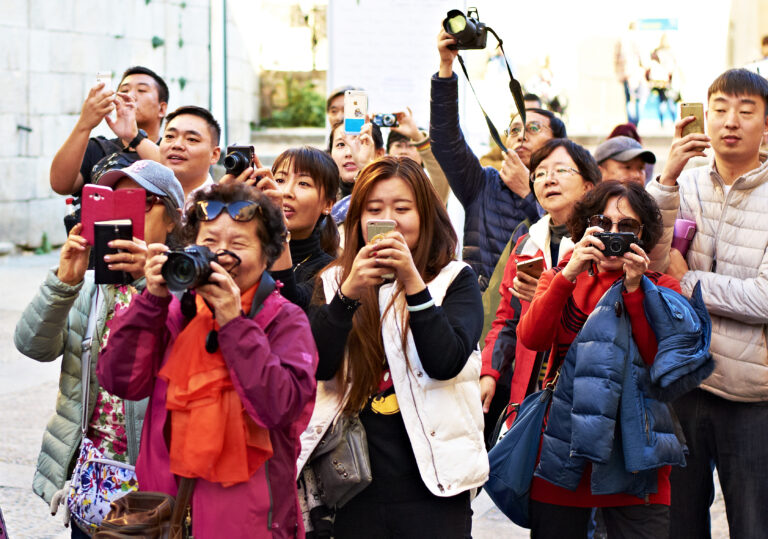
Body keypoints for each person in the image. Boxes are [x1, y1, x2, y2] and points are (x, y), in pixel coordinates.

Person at [95, 182, 318, 538]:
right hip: (163, 519)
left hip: (249, 525)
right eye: (209, 243)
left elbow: (280, 408)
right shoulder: (171, 311)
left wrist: (234, 323)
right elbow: (119, 381)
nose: (220, 256)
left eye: (239, 245)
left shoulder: (285, 320)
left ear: (267, 256)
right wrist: (151, 299)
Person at [300, 156, 488, 537]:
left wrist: (413, 282)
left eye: (402, 208)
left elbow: (444, 360)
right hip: (353, 485)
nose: (390, 218)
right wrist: (349, 293)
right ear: (357, 220)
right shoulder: (336, 281)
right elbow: (318, 365)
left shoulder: (455, 280)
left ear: (426, 215)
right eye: (374, 209)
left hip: (435, 486)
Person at [517, 180, 709, 538]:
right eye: (602, 224)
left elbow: (661, 364)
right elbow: (532, 337)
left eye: (626, 227)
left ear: (643, 234)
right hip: (564, 452)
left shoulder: (661, 286)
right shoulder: (560, 278)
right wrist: (569, 273)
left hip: (636, 459)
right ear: (584, 228)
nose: (612, 235)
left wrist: (636, 290)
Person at [14, 160, 184, 537]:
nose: (127, 214)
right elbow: (32, 345)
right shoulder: (92, 287)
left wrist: (150, 281)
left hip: (154, 483)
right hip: (92, 477)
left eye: (140, 202)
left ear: (173, 218)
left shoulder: (185, 288)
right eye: (114, 203)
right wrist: (62, 284)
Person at [647, 68, 768, 539]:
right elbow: (653, 267)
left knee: (754, 524)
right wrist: (666, 179)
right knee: (677, 525)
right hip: (683, 386)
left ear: (765, 125)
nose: (729, 121)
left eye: (745, 110)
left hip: (751, 395)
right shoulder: (687, 185)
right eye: (718, 109)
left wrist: (690, 280)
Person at [480, 139, 600, 445]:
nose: (549, 179)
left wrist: (547, 299)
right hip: (529, 389)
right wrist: (490, 373)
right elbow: (506, 319)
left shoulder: (600, 246)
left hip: (583, 389)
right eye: (540, 173)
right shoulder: (526, 244)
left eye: (561, 170)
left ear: (588, 186)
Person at [431, 28, 567, 290]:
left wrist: (530, 194)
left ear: (558, 143)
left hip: (539, 308)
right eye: (514, 130)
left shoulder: (571, 188)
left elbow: (565, 243)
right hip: (484, 312)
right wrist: (446, 66)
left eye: (533, 128)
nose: (521, 135)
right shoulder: (484, 183)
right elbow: (446, 141)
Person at [50, 66, 169, 196]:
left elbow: (177, 179)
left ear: (162, 109)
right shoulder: (98, 148)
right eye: (124, 90)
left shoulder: (171, 150)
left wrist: (134, 138)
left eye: (141, 90)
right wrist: (84, 124)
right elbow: (61, 185)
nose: (130, 95)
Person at [268, 146, 340, 311]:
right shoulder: (249, 253)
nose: (286, 192)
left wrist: (278, 229)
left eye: (303, 183)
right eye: (279, 180)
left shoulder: (333, 271)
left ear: (328, 204)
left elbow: (288, 307)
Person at [386, 107, 452, 205]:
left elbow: (442, 174)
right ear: (387, 152)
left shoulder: (428, 191)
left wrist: (417, 137)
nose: (404, 152)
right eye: (398, 145)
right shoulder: (380, 186)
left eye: (410, 146)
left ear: (422, 155)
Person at [159, 105, 221, 197]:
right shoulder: (145, 199)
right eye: (170, 136)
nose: (177, 145)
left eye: (191, 139)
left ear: (214, 155)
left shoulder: (227, 205)